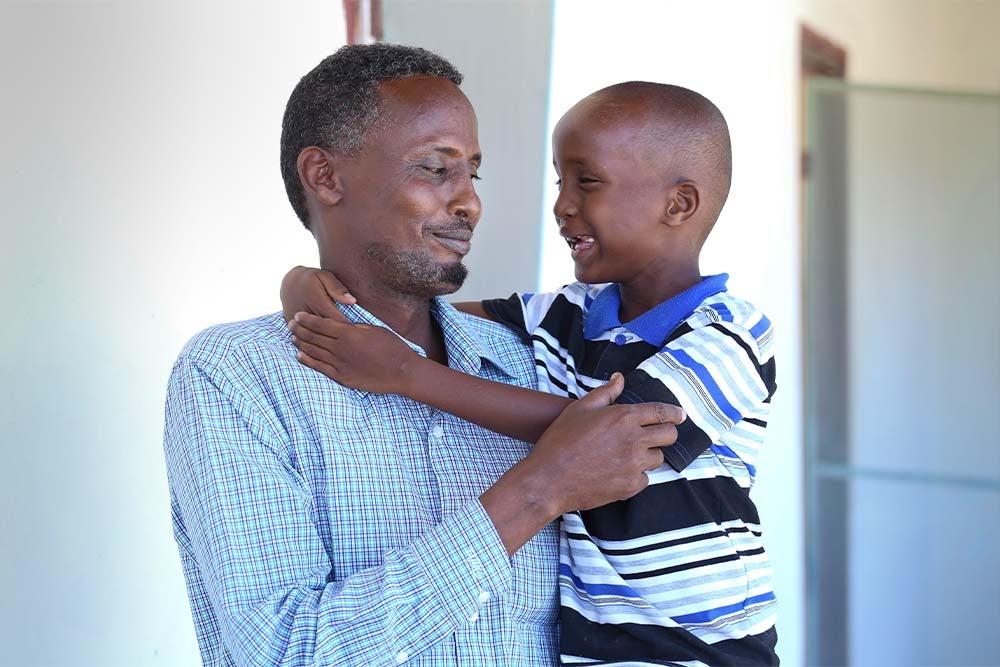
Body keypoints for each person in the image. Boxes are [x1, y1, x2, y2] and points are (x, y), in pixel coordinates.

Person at [163, 45, 686, 667]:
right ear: (324, 177)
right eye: (436, 170)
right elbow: (283, 653)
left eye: (473, 173)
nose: (469, 203)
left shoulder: (534, 360)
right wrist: (538, 489)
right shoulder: (238, 377)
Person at [282, 81, 779, 665]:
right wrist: (300, 285)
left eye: (586, 181)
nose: (563, 205)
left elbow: (615, 438)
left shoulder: (732, 334)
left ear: (678, 204)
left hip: (707, 649)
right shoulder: (565, 314)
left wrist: (407, 374)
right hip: (594, 647)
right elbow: (419, 310)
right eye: (560, 181)